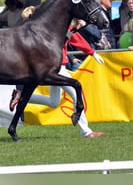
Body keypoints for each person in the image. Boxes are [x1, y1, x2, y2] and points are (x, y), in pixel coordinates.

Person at [9, 8, 105, 138]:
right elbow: (75, 39)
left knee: (54, 102)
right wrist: (92, 52)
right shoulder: (60, 27)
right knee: (77, 95)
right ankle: (86, 132)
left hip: (55, 66)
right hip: (58, 67)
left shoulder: (54, 28)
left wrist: (79, 31)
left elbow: (73, 37)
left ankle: (20, 96)